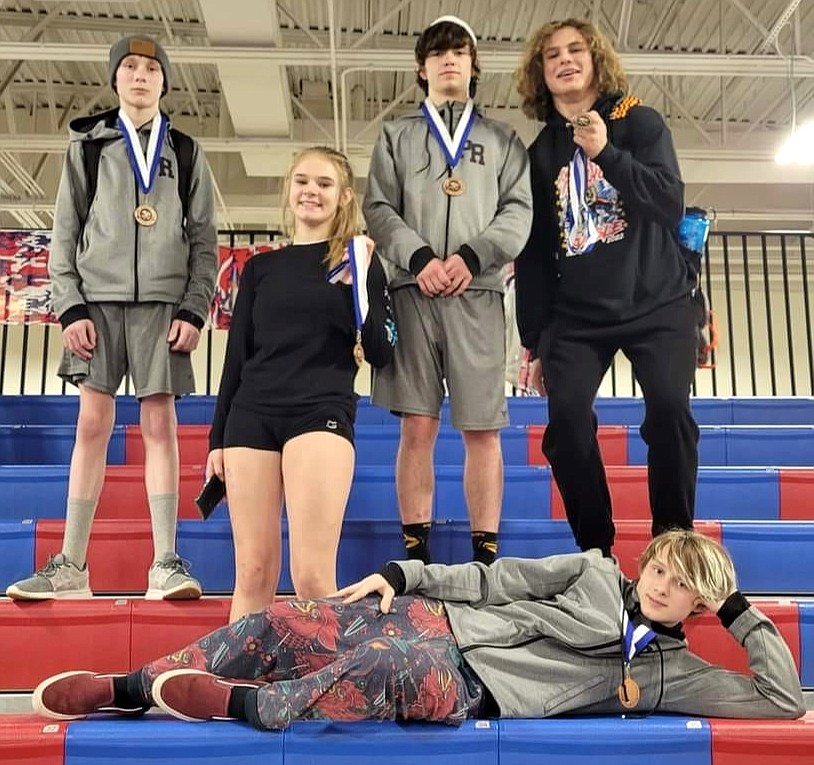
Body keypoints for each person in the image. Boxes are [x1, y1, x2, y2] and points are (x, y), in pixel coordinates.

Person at [31, 529, 805, 728]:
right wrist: (406, 575)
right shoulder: (597, 571)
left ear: (698, 606)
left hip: (472, 686)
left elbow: (782, 699)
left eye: (683, 588)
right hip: (439, 619)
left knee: (382, 667)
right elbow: (496, 577)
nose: (663, 586)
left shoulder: (679, 673)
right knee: (283, 618)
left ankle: (243, 705)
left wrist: (741, 610)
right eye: (664, 569)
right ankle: (129, 687)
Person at [5, 35, 217, 601]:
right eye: (130, 67)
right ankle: (72, 563)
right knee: (92, 425)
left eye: (151, 68)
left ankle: (166, 562)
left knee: (160, 428)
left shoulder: (188, 152)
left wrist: (195, 308)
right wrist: (69, 304)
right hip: (95, 304)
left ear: (164, 81)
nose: (140, 76)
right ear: (116, 79)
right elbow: (65, 236)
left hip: (163, 306)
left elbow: (204, 241)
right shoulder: (89, 148)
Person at [513, 19, 700, 556]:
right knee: (566, 424)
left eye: (576, 50)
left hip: (657, 301)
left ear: (595, 59)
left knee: (669, 411)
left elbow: (668, 203)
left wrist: (606, 154)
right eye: (552, 55)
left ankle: (673, 545)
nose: (565, 60)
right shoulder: (541, 152)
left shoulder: (638, 120)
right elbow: (535, 252)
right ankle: (596, 554)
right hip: (577, 315)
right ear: (540, 74)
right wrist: (535, 339)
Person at [363, 16, 532, 567]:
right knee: (419, 424)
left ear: (473, 65)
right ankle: (416, 552)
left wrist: (470, 257)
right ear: (422, 68)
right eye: (437, 53)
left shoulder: (502, 139)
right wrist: (418, 258)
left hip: (477, 293)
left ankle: (486, 557)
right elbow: (378, 207)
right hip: (412, 292)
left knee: (482, 429)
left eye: (459, 51)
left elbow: (518, 212)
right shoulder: (396, 135)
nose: (449, 60)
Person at [205, 146, 396, 623]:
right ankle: (237, 688)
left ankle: (326, 690)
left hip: (320, 412)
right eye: (303, 181)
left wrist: (361, 289)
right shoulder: (260, 269)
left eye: (325, 184)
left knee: (311, 576)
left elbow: (382, 352)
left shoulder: (361, 262)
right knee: (252, 572)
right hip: (252, 417)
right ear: (290, 190)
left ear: (344, 196)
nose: (311, 191)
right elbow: (237, 358)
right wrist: (217, 438)